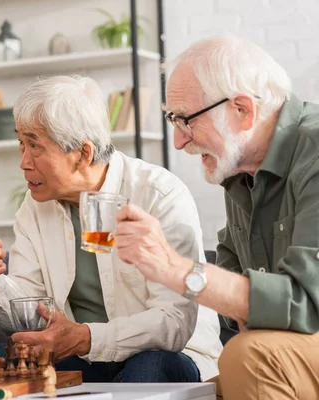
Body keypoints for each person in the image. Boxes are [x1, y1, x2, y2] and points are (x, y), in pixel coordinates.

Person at [0, 75, 223, 383]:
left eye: (34, 145)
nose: (23, 162)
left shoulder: (158, 194)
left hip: (171, 354)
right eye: (21, 143)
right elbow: (32, 318)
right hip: (81, 358)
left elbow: (173, 324)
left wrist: (86, 337)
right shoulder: (33, 209)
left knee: (149, 369)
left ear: (83, 154)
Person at [114, 34, 319, 399]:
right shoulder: (241, 173)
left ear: (242, 110)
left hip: (288, 346)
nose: (178, 142)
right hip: (290, 351)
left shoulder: (315, 154)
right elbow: (236, 311)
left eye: (186, 120)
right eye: (172, 120)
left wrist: (175, 269)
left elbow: (305, 304)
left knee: (249, 357)